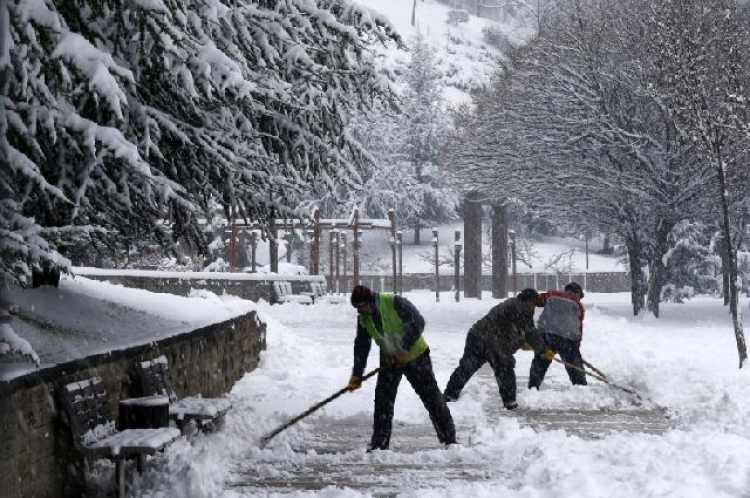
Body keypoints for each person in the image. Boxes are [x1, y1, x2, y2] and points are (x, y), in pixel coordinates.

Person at [347, 285, 456, 451]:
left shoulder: (394, 302)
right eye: (357, 308)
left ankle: (450, 439)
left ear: (370, 302)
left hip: (415, 356)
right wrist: (357, 375)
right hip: (389, 360)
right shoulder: (364, 318)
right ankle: (379, 443)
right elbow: (361, 346)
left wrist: (404, 347)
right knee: (383, 400)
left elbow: (418, 322)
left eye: (361, 307)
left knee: (431, 397)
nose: (359, 312)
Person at [443, 288, 542, 410]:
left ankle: (449, 395)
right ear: (527, 300)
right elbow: (529, 332)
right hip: (489, 341)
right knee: (504, 369)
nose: (534, 307)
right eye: (533, 303)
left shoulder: (516, 306)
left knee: (467, 368)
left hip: (478, 336)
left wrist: (524, 342)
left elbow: (518, 331)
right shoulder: (517, 308)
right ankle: (510, 402)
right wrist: (541, 348)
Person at [527, 282, 587, 389]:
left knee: (539, 364)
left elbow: (538, 301)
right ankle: (581, 388)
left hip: (546, 335)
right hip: (568, 339)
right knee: (575, 366)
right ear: (577, 293)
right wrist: (575, 347)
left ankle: (533, 387)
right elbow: (578, 327)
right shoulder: (578, 305)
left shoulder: (552, 294)